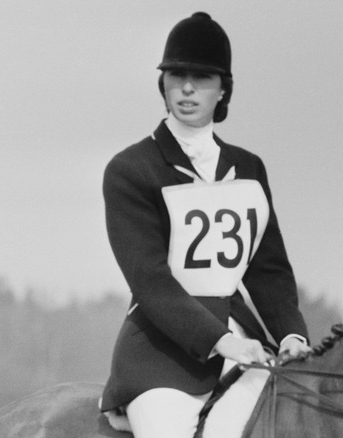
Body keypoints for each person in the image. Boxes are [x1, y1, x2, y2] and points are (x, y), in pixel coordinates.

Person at [99, 12, 312, 438]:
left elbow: (267, 270)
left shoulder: (249, 168)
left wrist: (292, 335)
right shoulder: (130, 169)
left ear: (223, 89)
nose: (188, 88)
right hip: (161, 356)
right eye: (177, 76)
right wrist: (223, 341)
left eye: (202, 77)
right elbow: (151, 281)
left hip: (248, 349)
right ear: (163, 84)